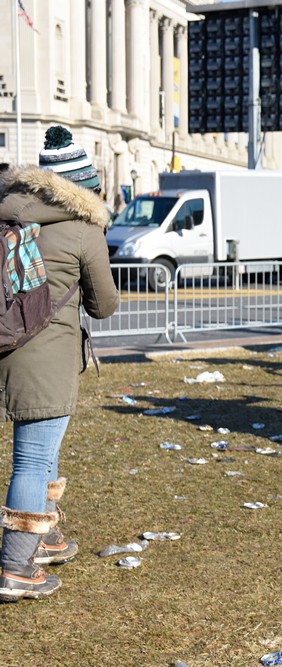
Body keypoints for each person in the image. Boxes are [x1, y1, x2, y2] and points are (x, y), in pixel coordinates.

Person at [0, 125, 119, 601]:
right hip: (46, 357)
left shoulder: (8, 215)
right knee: (32, 459)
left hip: (6, 346)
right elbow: (104, 305)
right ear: (83, 188)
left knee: (43, 448)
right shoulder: (82, 230)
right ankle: (16, 567)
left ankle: (44, 537)